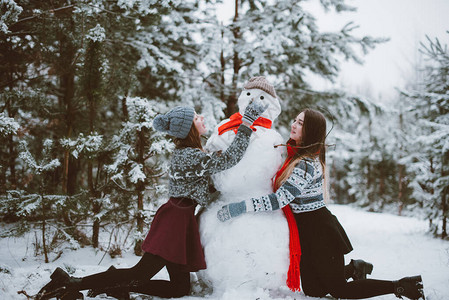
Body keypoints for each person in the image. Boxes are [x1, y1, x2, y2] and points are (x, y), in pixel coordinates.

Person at [36, 99, 268, 300]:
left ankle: (118, 287)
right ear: (189, 128)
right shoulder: (190, 156)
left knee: (179, 288)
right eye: (197, 117)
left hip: (180, 217)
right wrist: (247, 122)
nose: (202, 117)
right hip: (175, 221)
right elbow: (230, 159)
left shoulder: (190, 154)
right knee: (140, 272)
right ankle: (72, 283)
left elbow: (206, 182)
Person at [217, 108, 425, 300]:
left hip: (321, 232)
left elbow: (280, 199)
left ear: (310, 131)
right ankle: (354, 269)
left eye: (300, 123)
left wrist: (240, 207)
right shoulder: (295, 156)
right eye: (295, 120)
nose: (294, 124)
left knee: (339, 290)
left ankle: (402, 286)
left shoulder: (305, 164)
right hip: (306, 232)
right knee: (313, 290)